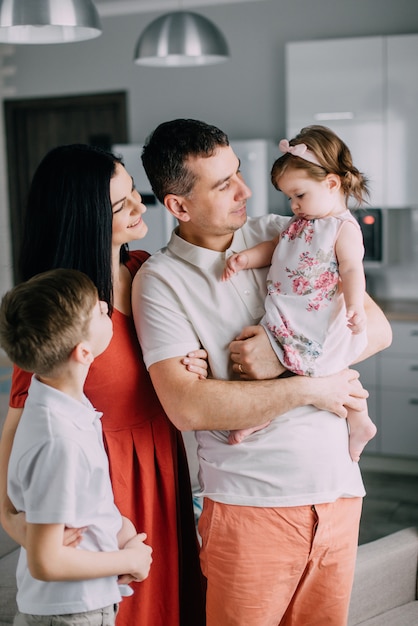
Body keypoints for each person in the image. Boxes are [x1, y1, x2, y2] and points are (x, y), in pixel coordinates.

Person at [131, 118, 392, 626]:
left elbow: (377, 330)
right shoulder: (160, 282)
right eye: (223, 183)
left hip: (338, 493)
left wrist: (279, 362)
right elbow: (188, 406)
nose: (246, 191)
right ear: (178, 206)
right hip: (251, 507)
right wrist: (311, 386)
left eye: (239, 173)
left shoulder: (283, 229)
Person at [0, 145, 207, 626]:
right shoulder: (65, 312)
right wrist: (11, 518)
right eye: (121, 205)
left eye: (135, 192)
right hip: (106, 485)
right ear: (85, 218)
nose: (140, 206)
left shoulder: (145, 269)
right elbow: (18, 424)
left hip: (164, 466)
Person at [0, 268, 153, 625]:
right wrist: (129, 561)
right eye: (99, 311)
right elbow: (46, 560)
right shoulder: (59, 440)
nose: (106, 305)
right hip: (72, 611)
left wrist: (125, 535)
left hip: (77, 602)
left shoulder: (60, 402)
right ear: (83, 352)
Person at [223, 125, 377, 461]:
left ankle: (358, 418)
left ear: (332, 183)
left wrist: (355, 307)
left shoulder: (343, 228)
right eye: (289, 197)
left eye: (300, 195)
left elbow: (351, 270)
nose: (293, 205)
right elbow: (274, 248)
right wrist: (245, 259)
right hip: (287, 310)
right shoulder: (298, 223)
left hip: (316, 317)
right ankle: (262, 413)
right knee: (272, 364)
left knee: (320, 369)